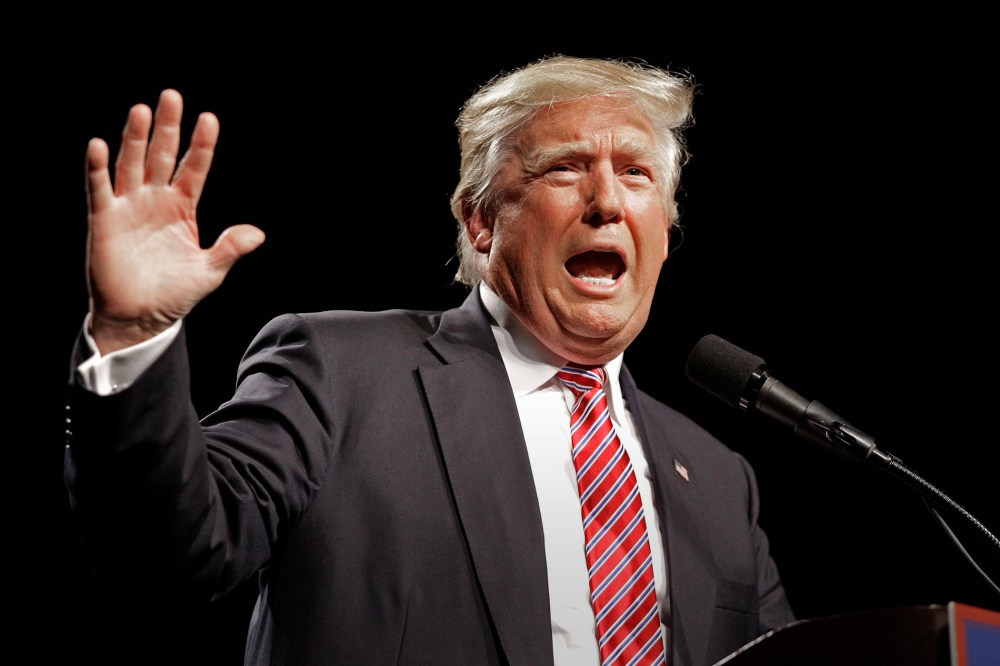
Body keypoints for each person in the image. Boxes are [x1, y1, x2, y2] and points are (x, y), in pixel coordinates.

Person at [65, 55, 795, 665]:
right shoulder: (341, 375)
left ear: (664, 231)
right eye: (565, 169)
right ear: (480, 221)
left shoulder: (720, 480)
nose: (607, 201)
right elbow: (166, 551)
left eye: (636, 174)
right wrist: (132, 339)